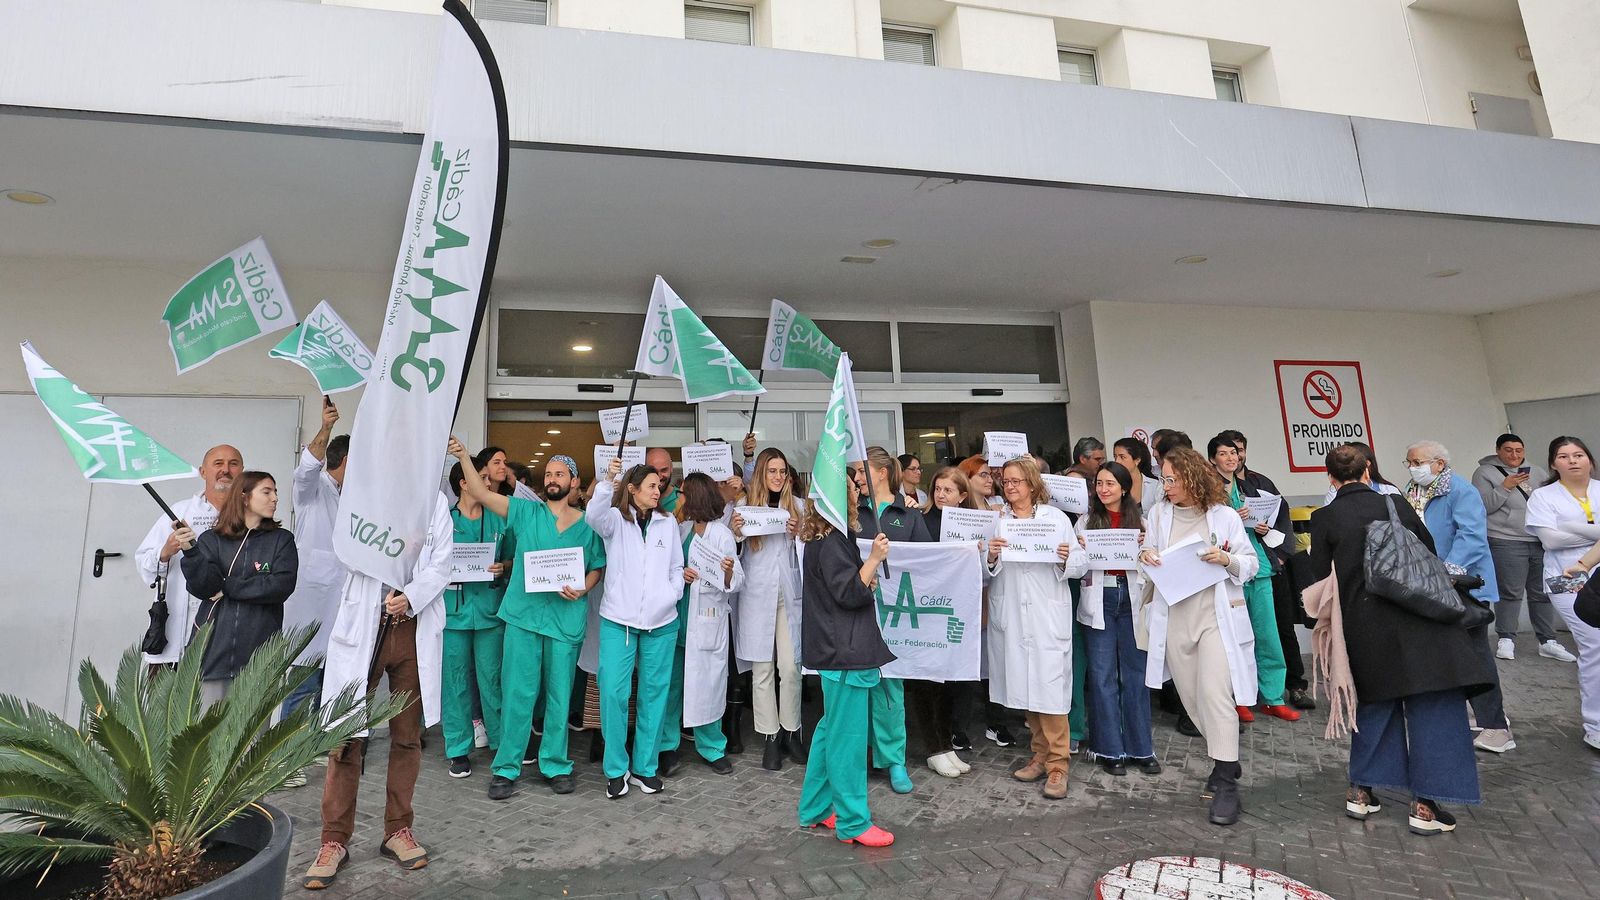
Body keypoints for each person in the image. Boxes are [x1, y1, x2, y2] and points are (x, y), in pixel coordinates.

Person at [1311, 444, 1494, 835]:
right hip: (1421, 621)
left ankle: (1361, 793)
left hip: (1364, 627)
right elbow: (1427, 554)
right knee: (1434, 705)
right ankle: (1425, 807)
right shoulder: (1396, 505)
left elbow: (1317, 578)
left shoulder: (1322, 517)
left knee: (1375, 704)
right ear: (1368, 472)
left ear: (1330, 478)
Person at [305, 458, 452, 888]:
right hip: (365, 627)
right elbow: (345, 553)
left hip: (412, 628)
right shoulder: (360, 500)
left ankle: (397, 830)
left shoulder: (434, 502)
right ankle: (334, 840)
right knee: (347, 734)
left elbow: (442, 562)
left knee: (407, 736)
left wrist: (411, 594)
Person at [450, 448, 605, 798]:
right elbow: (481, 492)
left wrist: (584, 588)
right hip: (523, 617)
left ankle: (556, 763)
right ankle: (507, 767)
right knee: (518, 693)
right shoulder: (525, 511)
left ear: (574, 482)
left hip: (564, 621)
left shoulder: (587, 524)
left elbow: (597, 566)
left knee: (558, 695)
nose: (553, 479)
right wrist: (463, 458)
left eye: (560, 474)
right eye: (548, 474)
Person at [1139, 447, 1258, 826]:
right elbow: (1147, 551)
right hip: (1175, 616)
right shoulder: (1158, 514)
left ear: (1192, 477)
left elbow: (1250, 563)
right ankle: (1226, 758)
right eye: (1164, 479)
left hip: (1215, 616)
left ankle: (1225, 781)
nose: (1167, 486)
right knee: (1192, 700)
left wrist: (1226, 560)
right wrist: (1146, 555)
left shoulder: (1222, 517)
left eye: (1172, 479)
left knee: (1214, 693)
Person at [796, 479, 897, 847]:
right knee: (848, 740)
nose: (859, 492)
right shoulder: (832, 542)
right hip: (845, 653)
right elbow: (849, 593)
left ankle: (816, 808)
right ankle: (853, 823)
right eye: (852, 488)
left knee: (830, 732)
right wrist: (873, 560)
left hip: (839, 650)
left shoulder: (827, 539)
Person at [985, 456, 1087, 800]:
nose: (1010, 487)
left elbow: (1080, 561)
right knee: (1027, 687)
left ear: (1032, 483)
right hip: (1012, 613)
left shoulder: (1055, 519)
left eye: (1017, 481)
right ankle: (1040, 754)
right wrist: (991, 557)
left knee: (1051, 690)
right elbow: (982, 571)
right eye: (1006, 481)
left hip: (1046, 614)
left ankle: (1059, 765)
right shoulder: (997, 520)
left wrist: (1064, 558)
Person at [1402, 440, 1514, 754]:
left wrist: (1446, 572)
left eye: (1418, 461)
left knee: (1475, 654)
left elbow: (1472, 537)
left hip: (1464, 585)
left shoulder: (1461, 491)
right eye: (1409, 462)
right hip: (1430, 585)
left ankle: (1496, 727)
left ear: (1439, 463)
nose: (1413, 467)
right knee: (1446, 654)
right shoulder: (1413, 491)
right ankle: (1474, 716)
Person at [589, 456, 685, 798]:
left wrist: (672, 595)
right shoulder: (615, 520)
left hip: (662, 622)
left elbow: (677, 567)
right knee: (614, 693)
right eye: (651, 487)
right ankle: (616, 769)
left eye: (659, 486)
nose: (658, 491)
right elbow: (593, 515)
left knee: (654, 696)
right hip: (619, 621)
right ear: (632, 490)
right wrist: (607, 480)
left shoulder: (667, 522)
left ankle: (646, 766)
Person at [180, 470, 297, 704]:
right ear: (244, 497)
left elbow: (280, 585)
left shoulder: (281, 540)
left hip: (259, 659)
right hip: (211, 654)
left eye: (275, 492)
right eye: (267, 492)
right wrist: (191, 552)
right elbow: (203, 587)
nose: (275, 498)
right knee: (206, 734)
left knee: (254, 739)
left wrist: (228, 587)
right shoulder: (211, 540)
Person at [856, 447, 932, 795]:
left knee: (890, 686)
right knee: (857, 683)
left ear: (882, 473)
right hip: (856, 609)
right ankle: (859, 756)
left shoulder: (909, 514)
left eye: (861, 471)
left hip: (898, 614)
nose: (856, 478)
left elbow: (930, 566)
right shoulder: (851, 514)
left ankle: (893, 759)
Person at [1208, 435, 1299, 723]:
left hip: (1259, 567)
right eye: (1223, 454)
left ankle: (1272, 697)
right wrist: (1232, 516)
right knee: (1236, 639)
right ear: (1213, 459)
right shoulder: (1208, 490)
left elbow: (1276, 519)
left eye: (1234, 453)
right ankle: (1240, 698)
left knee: (1267, 635)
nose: (1231, 458)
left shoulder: (1252, 485)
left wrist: (1262, 527)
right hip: (1228, 571)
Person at [1077, 461, 1160, 776]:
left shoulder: (1142, 522)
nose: (1103, 489)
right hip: (1101, 598)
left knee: (1135, 675)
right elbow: (1074, 564)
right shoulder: (1085, 522)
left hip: (1132, 597)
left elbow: (1157, 561)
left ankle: (1141, 749)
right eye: (1099, 483)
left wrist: (1145, 549)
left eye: (1110, 483)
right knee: (1102, 677)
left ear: (1124, 488)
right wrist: (1081, 549)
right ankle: (1109, 749)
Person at [662, 473, 744, 776]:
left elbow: (735, 582)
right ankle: (666, 748)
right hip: (677, 619)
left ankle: (711, 747)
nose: (679, 499)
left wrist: (725, 571)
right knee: (671, 688)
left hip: (706, 620)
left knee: (708, 686)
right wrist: (679, 574)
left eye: (683, 494)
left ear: (694, 497)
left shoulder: (721, 534)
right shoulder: (680, 530)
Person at [135, 444, 242, 669]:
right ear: (203, 472)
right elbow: (145, 565)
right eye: (218, 464)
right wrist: (166, 550)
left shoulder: (250, 516)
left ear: (242, 471)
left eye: (233, 464)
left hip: (227, 636)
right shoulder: (180, 512)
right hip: (175, 638)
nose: (226, 470)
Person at [734, 447, 807, 771]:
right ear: (762, 474)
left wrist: (799, 534)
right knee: (762, 670)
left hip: (790, 593)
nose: (777, 477)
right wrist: (736, 532)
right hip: (758, 593)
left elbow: (811, 548)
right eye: (771, 471)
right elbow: (732, 550)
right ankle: (770, 736)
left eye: (782, 471)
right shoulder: (744, 507)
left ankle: (792, 731)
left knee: (790, 667)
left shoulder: (800, 507)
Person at [1526, 436, 1600, 752]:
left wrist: (1570, 526)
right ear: (1553, 463)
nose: (1572, 460)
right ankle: (1595, 725)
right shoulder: (1542, 497)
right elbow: (1551, 541)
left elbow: (1560, 534)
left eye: (1579, 454)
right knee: (1594, 643)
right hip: (1565, 578)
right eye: (1564, 456)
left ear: (1590, 460)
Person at [1472, 434, 1573, 663]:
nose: (1514, 455)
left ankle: (1548, 641)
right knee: (1510, 592)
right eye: (1508, 450)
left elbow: (1551, 501)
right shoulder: (1484, 472)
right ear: (1498, 450)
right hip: (1505, 539)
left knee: (1542, 592)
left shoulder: (1536, 471)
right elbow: (1482, 507)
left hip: (1539, 539)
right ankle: (1506, 638)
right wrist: (1504, 488)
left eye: (1519, 450)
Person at [440, 459, 511, 779]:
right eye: (481, 478)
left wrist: (504, 566)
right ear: (464, 483)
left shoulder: (499, 519)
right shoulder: (443, 521)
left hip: (489, 611)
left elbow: (513, 555)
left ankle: (500, 742)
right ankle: (458, 749)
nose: (488, 484)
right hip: (453, 612)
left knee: (493, 680)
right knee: (454, 682)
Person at [283, 401, 349, 718]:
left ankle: (319, 752)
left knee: (334, 691)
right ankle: (283, 757)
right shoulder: (313, 491)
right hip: (312, 611)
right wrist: (326, 427)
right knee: (302, 688)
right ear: (349, 460)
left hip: (345, 612)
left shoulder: (357, 499)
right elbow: (307, 468)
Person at [953, 456, 1018, 748]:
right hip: (966, 595)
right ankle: (958, 727)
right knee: (966, 662)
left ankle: (996, 722)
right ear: (967, 479)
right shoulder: (956, 515)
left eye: (991, 475)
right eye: (982, 474)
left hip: (996, 590)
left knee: (994, 661)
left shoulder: (1003, 513)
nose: (989, 479)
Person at [1113, 438, 1161, 516]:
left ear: (1137, 460)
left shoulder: (1155, 485)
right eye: (1115, 457)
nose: (1117, 461)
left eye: (1122, 457)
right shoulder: (1113, 486)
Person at [646, 447, 680, 514]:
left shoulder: (681, 499)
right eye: (653, 471)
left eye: (664, 470)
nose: (659, 477)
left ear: (671, 468)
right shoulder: (638, 500)